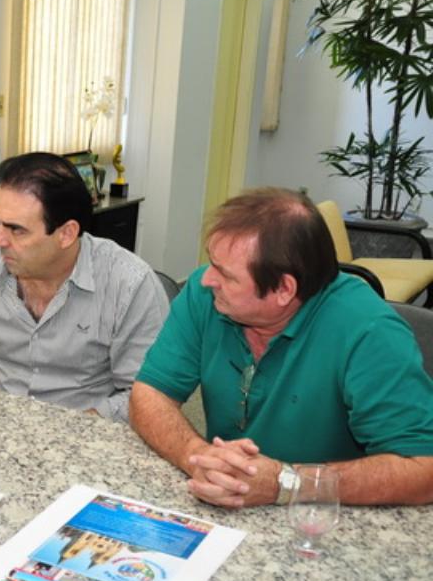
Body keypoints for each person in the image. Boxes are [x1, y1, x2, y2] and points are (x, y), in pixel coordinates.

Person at [130, 188, 433, 507]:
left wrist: (286, 483)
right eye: (212, 262)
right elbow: (150, 392)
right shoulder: (204, 296)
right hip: (226, 508)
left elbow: (423, 468)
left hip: (326, 519)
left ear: (284, 290)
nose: (207, 279)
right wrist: (197, 456)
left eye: (226, 274)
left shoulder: (369, 331)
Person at [0, 152, 169, 422]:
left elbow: (147, 396)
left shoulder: (129, 284)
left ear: (66, 234)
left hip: (88, 435)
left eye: (16, 230)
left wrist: (67, 427)